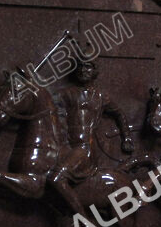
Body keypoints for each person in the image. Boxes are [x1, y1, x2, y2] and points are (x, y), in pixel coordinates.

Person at [49, 49, 133, 216]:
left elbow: (119, 114)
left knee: (56, 178)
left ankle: (83, 221)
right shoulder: (66, 94)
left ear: (95, 71)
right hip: (64, 146)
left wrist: (127, 137)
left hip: (84, 149)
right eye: (80, 66)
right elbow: (45, 107)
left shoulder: (100, 96)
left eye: (88, 67)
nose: (83, 70)